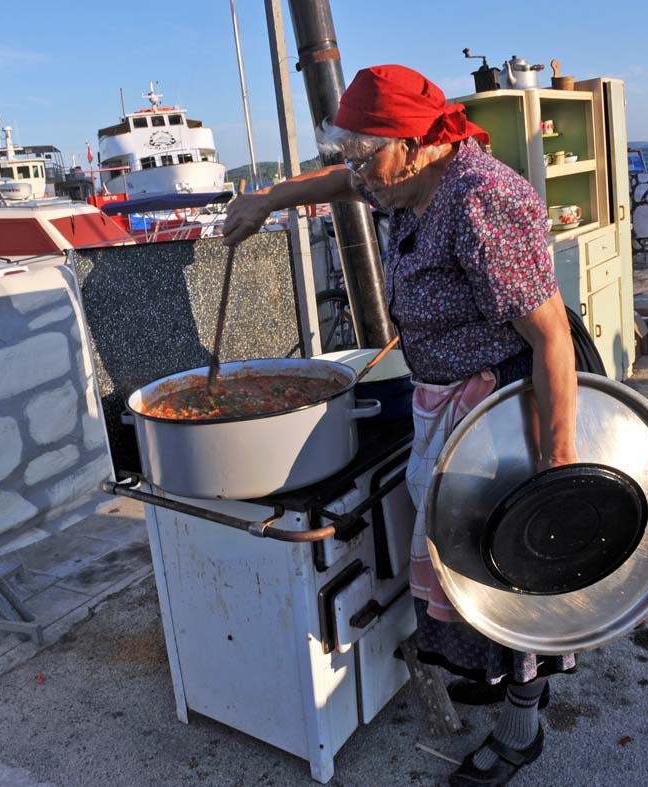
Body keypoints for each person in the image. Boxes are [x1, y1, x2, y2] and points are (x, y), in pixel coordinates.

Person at [222, 64, 579, 786]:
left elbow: (550, 340)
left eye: (365, 154)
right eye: (349, 154)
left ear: (418, 142)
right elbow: (332, 184)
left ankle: (521, 725)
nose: (356, 171)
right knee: (453, 558)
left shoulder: (483, 201)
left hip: (499, 406)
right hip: (440, 393)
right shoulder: (393, 174)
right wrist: (266, 198)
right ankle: (485, 669)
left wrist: (558, 464)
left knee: (502, 563)